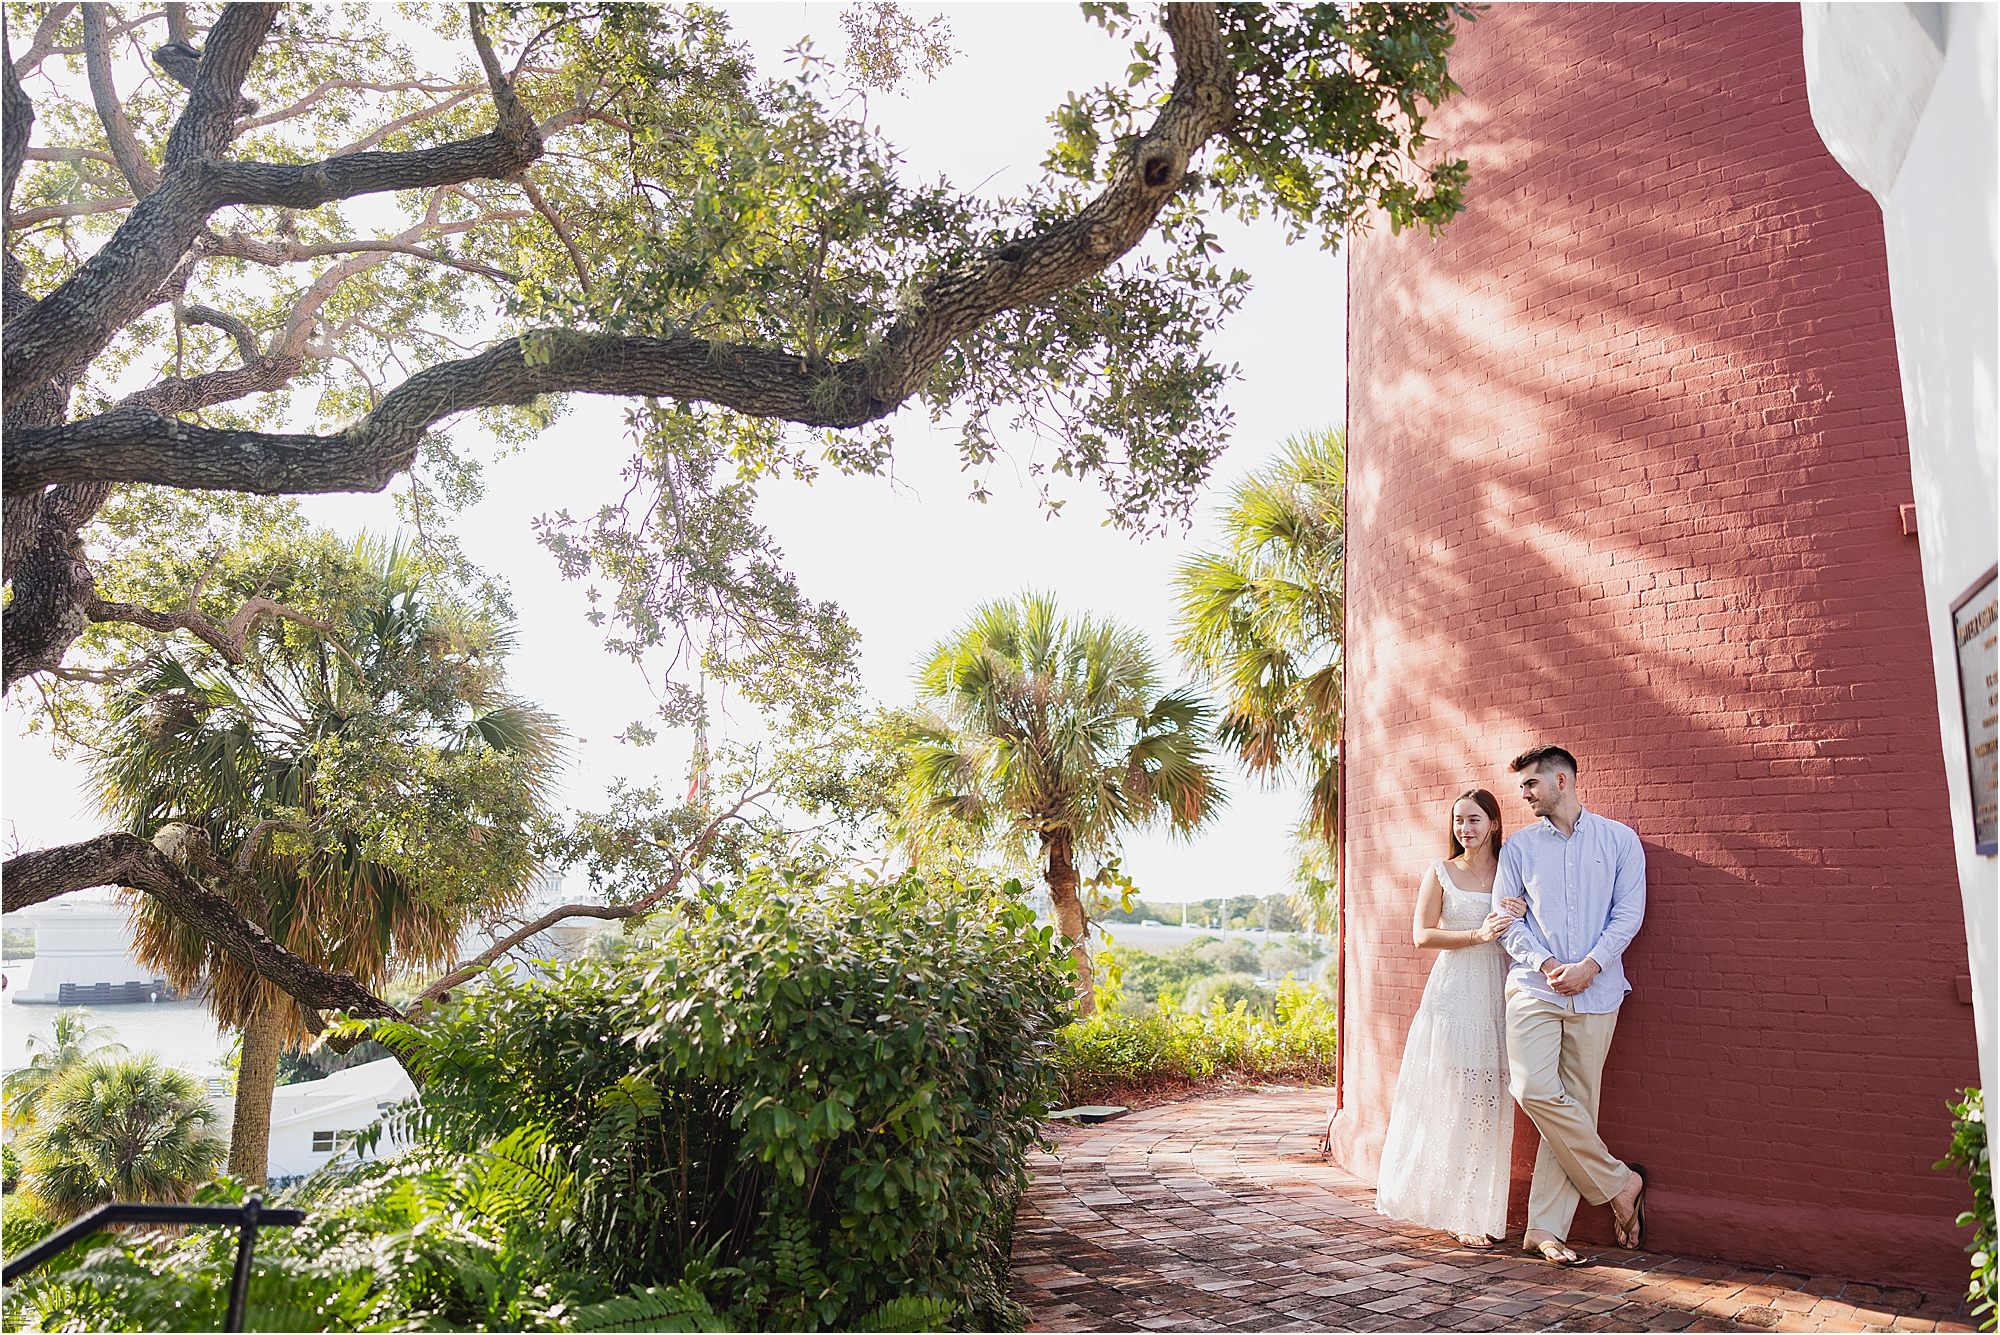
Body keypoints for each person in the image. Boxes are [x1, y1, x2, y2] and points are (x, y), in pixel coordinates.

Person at [1494, 744, 1648, 1266]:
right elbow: (1505, 919)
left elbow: (1629, 913)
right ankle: (1619, 1182)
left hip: (1599, 989)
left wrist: (1590, 966)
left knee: (1576, 1107)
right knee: (1533, 1088)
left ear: (1562, 780)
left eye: (1530, 784)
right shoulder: (1518, 847)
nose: (1524, 795)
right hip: (1536, 987)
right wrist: (1545, 965)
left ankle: (1545, 1229)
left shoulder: (1620, 840)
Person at [1374, 789, 1528, 1247]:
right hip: (1451, 996)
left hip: (1495, 997)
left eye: (1475, 819)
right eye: (1459, 820)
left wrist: (1521, 913)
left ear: (1494, 824)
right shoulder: (1441, 871)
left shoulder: (1510, 873)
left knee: (1487, 1102)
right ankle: (1451, 1209)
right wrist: (1478, 933)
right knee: (1453, 1097)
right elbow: (1422, 935)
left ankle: (1476, 1208)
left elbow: (1531, 930)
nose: (1465, 828)